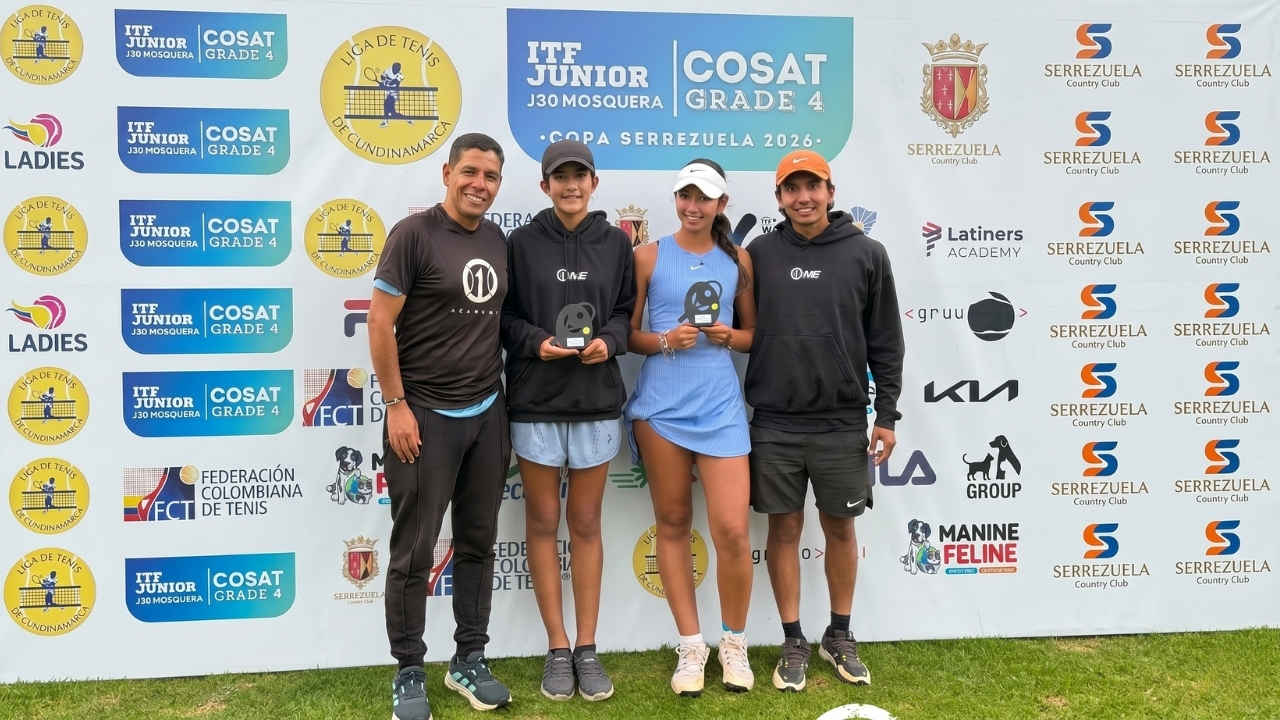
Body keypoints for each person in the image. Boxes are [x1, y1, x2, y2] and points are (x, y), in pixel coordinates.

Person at [745, 150, 904, 692]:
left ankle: (839, 633)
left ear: (831, 193)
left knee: (840, 527)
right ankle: (793, 638)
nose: (803, 197)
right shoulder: (759, 254)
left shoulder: (867, 253)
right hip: (773, 420)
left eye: (813, 186)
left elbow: (886, 341)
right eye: (792, 189)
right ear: (779, 199)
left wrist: (887, 415)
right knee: (784, 529)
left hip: (841, 420)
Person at [368, 133, 512, 720]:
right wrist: (395, 404)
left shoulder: (499, 241)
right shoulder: (414, 235)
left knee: (477, 542)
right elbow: (380, 324)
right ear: (447, 172)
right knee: (416, 550)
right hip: (423, 415)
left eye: (492, 176)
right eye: (471, 172)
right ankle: (409, 670)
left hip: (486, 413)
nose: (480, 184)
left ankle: (469, 660)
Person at [501, 140, 636, 703]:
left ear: (595, 183)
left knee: (585, 524)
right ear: (544, 186)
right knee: (542, 521)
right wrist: (538, 343)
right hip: (536, 402)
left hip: (596, 405)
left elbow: (627, 314)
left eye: (580, 176)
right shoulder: (520, 243)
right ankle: (557, 648)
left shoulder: (616, 244)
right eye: (560, 178)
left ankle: (587, 646)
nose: (571, 186)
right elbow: (503, 319)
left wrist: (609, 341)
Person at [624, 158, 757, 697]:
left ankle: (735, 643)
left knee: (732, 530)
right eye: (685, 196)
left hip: (721, 405)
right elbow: (627, 335)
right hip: (661, 409)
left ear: (722, 204)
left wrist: (727, 336)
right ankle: (691, 644)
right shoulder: (648, 255)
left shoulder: (738, 259)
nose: (693, 206)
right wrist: (663, 341)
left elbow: (753, 336)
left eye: (705, 198)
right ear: (675, 199)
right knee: (673, 523)